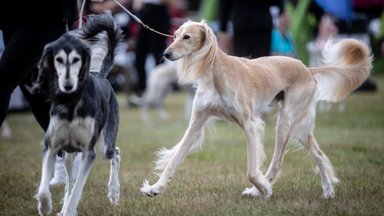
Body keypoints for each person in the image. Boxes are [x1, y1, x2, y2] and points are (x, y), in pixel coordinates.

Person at [132, 0, 173, 97]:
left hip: (158, 13)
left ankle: (159, 93)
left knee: (158, 56)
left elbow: (170, 3)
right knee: (139, 56)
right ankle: (142, 92)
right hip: (144, 11)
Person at [218, 0, 284, 58]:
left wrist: (223, 29)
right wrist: (281, 11)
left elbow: (224, 4)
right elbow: (276, 2)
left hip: (242, 23)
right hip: (261, 22)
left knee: (242, 62)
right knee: (261, 62)